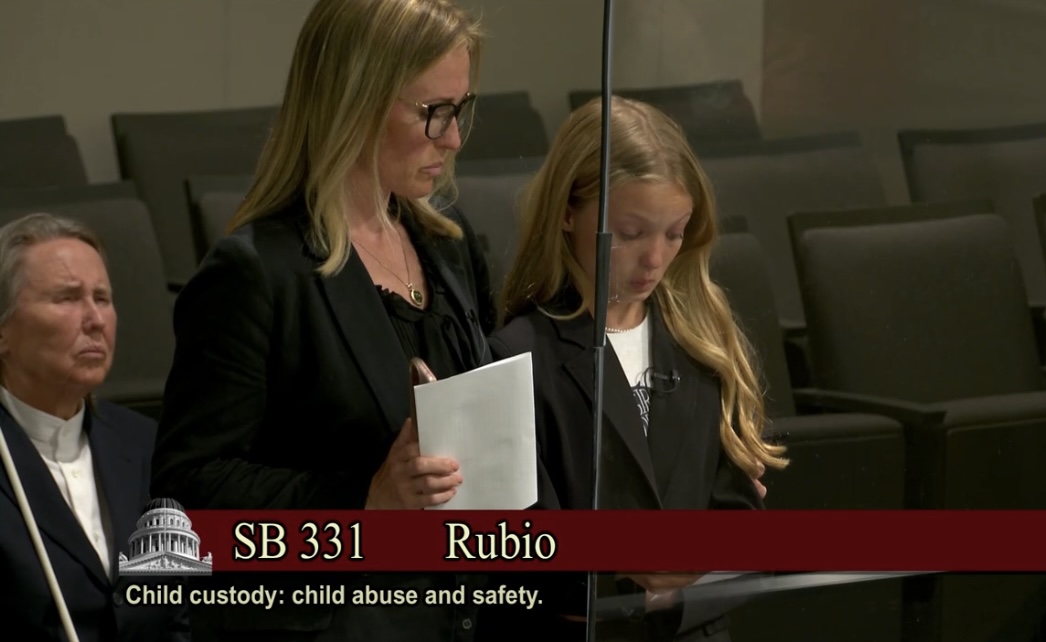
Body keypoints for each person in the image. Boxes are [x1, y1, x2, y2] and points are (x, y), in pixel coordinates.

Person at [149, 0, 493, 640]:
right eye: (433, 113)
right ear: (354, 102)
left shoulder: (448, 245)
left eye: (461, 109)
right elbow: (189, 493)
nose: (452, 138)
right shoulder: (254, 272)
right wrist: (365, 500)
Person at [485, 96, 787, 641]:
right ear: (567, 212)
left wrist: (687, 583)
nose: (654, 258)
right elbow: (516, 559)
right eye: (629, 233)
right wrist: (639, 584)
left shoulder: (703, 344)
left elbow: (746, 533)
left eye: (674, 233)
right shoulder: (517, 355)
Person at [0, 213, 188, 641]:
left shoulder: (147, 445)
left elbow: (183, 611)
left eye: (102, 298)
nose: (95, 320)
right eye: (67, 298)